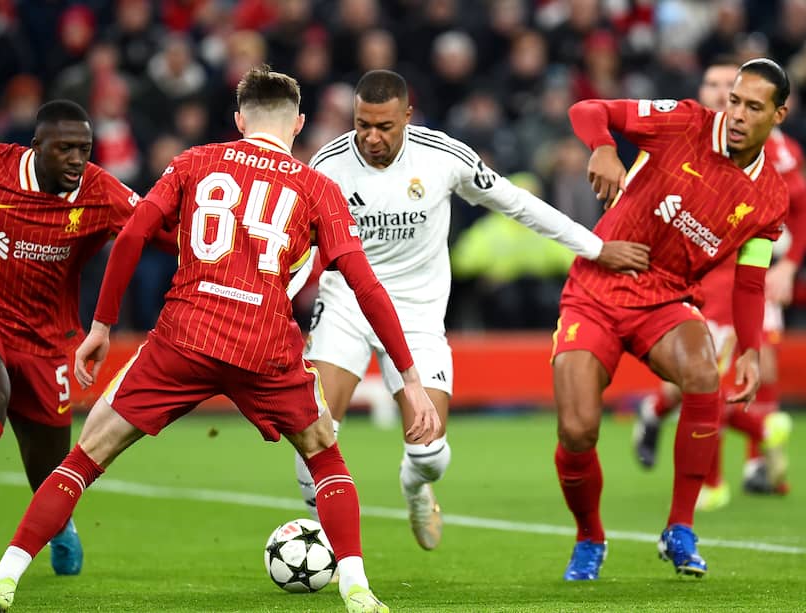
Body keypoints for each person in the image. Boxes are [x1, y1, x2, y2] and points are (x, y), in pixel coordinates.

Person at [0, 66, 440, 613]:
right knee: (324, 455)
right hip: (263, 343)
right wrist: (410, 378)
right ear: (297, 124)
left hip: (186, 336)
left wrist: (101, 326)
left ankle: (4, 580)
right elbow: (364, 283)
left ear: (239, 119)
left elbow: (131, 234)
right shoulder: (317, 186)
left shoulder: (195, 161)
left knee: (86, 455)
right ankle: (358, 590)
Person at [288, 69, 650, 551]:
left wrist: (594, 246)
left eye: (384, 127)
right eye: (363, 125)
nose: (372, 138)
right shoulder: (328, 164)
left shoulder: (442, 156)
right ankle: (330, 552)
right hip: (346, 307)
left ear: (408, 117)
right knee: (312, 431)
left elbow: (518, 203)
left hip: (416, 313)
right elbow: (296, 244)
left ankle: (415, 487)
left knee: (431, 454)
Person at [0, 99, 176, 588]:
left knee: (48, 473)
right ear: (36, 146)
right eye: (63, 148)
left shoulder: (100, 191)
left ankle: (61, 523)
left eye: (84, 149)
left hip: (46, 343)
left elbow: (161, 232)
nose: (75, 159)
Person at [552, 58, 791, 580]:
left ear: (779, 114)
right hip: (596, 289)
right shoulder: (683, 122)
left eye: (754, 106)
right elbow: (587, 108)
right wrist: (604, 147)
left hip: (665, 299)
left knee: (705, 377)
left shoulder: (770, 198)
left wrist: (749, 348)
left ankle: (680, 528)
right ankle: (589, 535)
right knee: (576, 431)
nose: (738, 114)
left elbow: (750, 282)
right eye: (734, 101)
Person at [632, 58, 805, 509]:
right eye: (717, 87)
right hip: (688, 276)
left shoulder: (780, 155)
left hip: (745, 274)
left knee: (746, 370)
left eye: (736, 90)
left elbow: (798, 210)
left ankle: (743, 465)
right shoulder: (684, 133)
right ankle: (724, 451)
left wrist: (788, 267)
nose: (726, 98)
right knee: (698, 376)